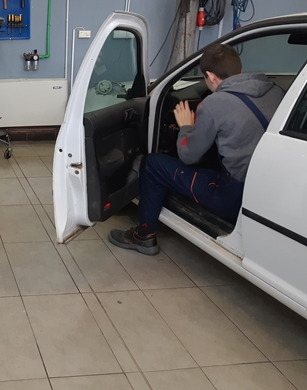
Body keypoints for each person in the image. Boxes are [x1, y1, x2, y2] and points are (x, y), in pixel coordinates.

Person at [109, 44, 284, 255]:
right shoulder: (274, 90)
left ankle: (143, 236)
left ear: (210, 76)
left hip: (233, 196)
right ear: (239, 68)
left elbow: (188, 156)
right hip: (268, 188)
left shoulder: (214, 104)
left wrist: (185, 127)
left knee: (153, 164)